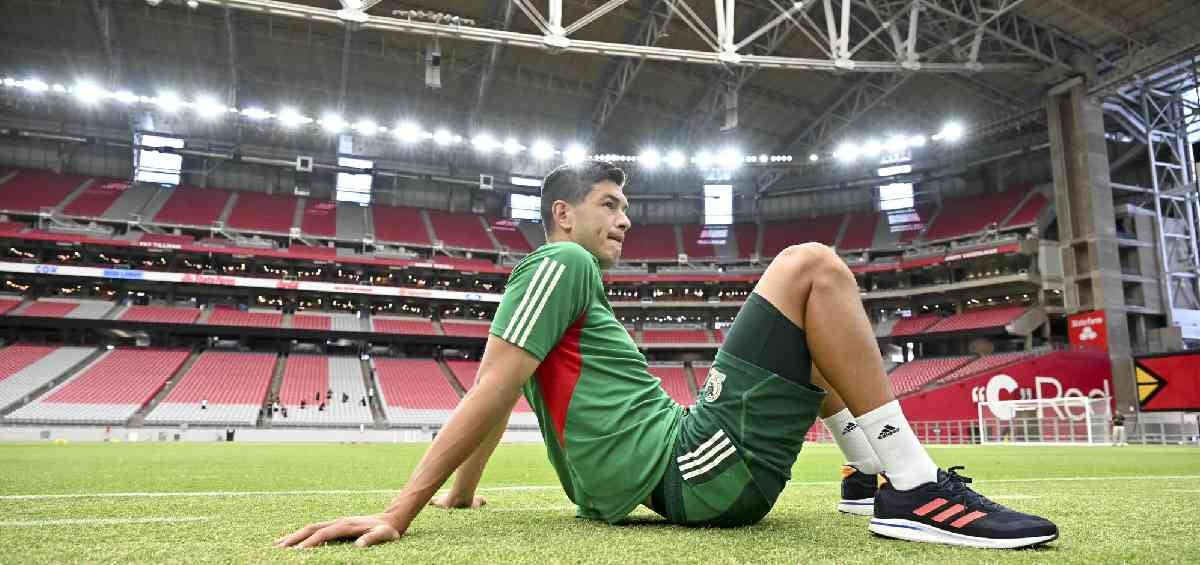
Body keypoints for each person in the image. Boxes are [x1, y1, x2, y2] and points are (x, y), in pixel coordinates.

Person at [277, 160, 1057, 550]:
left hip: (686, 472)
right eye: (609, 204)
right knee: (812, 265)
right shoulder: (564, 265)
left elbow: (508, 386)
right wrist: (401, 509)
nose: (625, 220)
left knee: (808, 334)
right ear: (563, 214)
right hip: (692, 469)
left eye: (626, 206)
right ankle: (915, 488)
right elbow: (491, 388)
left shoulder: (545, 279)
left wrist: (458, 494)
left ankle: (865, 476)